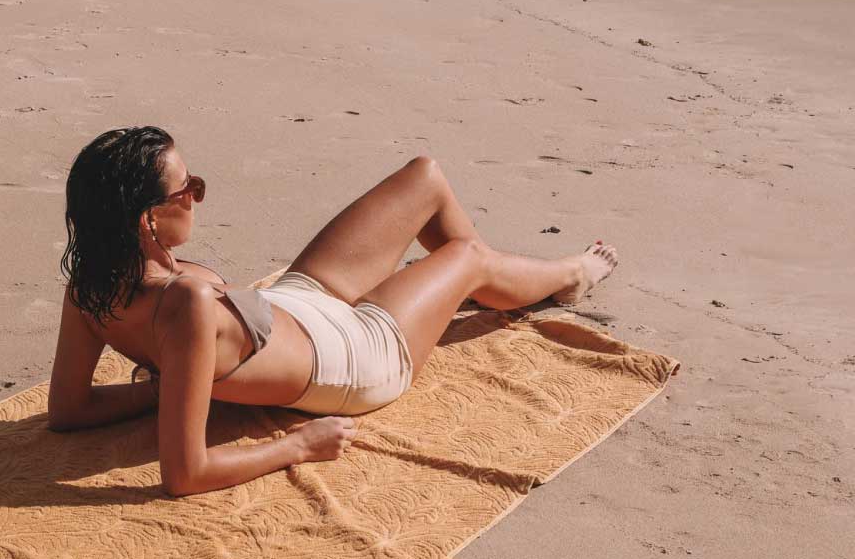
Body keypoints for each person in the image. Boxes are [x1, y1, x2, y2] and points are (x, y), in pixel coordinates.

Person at [48, 126, 617, 496]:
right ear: (148, 218)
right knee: (463, 254)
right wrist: (298, 446)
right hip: (356, 357)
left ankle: (476, 291)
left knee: (425, 177)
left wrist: (166, 387)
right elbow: (184, 474)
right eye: (187, 188)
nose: (196, 195)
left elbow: (68, 409)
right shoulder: (187, 303)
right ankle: (567, 278)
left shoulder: (91, 289)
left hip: (298, 302)